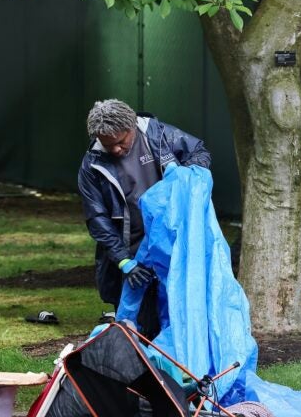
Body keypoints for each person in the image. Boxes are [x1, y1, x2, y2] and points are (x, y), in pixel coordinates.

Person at [78, 99, 211, 327]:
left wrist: (183, 176)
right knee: (136, 318)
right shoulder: (92, 164)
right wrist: (123, 260)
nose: (116, 150)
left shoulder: (159, 136)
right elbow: (97, 218)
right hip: (130, 249)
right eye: (108, 145)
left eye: (120, 142)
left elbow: (198, 152)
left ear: (131, 126)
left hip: (172, 241)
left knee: (176, 314)